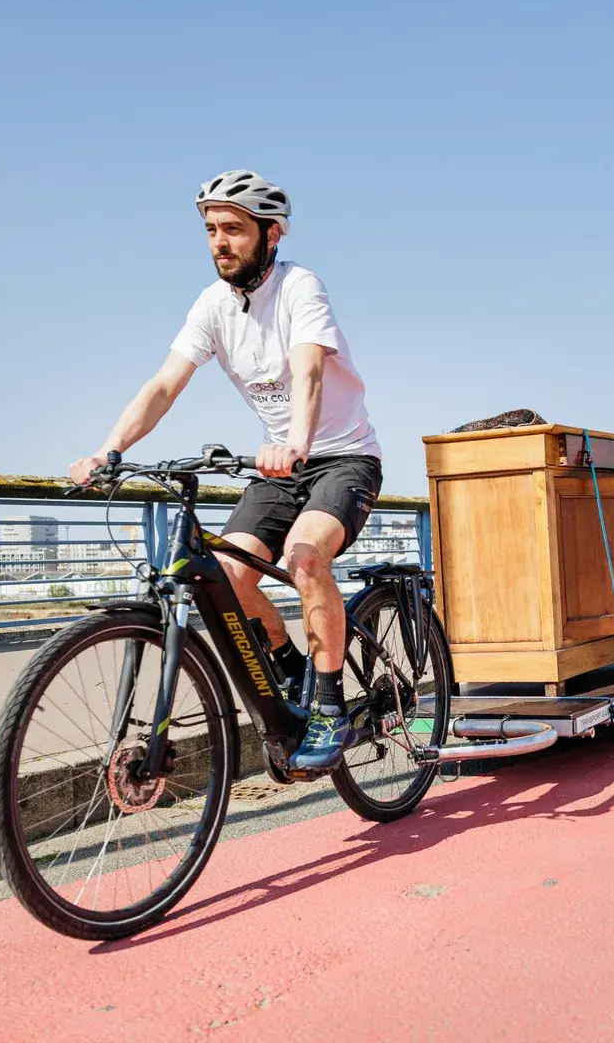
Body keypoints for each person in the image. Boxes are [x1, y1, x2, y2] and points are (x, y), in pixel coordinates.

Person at [69, 170, 382, 775]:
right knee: (229, 574)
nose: (219, 241)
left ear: (272, 234)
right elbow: (164, 384)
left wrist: (296, 440)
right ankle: (292, 665)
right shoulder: (213, 305)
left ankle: (327, 704)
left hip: (342, 456)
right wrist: (108, 450)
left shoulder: (300, 288)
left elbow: (309, 372)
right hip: (279, 465)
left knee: (305, 556)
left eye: (234, 229)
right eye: (211, 230)